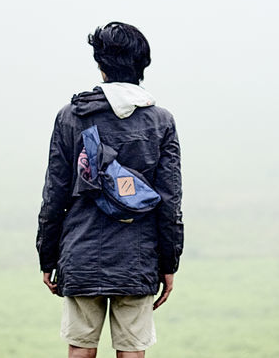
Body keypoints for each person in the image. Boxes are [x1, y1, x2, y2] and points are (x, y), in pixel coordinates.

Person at [37, 22, 183, 358]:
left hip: (81, 252)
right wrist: (168, 264)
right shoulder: (161, 122)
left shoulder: (70, 117)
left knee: (80, 348)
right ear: (142, 66)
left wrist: (48, 256)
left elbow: (54, 195)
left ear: (100, 65)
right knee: (132, 350)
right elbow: (170, 202)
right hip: (138, 256)